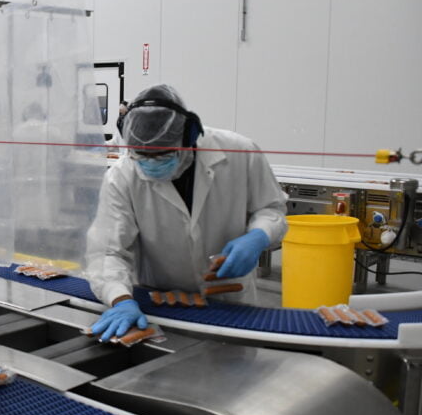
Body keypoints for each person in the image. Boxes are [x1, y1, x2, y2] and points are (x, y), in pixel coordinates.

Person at [85, 85, 287, 341]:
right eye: (142, 156)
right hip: (163, 304)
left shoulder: (240, 153)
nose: (151, 164)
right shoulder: (122, 177)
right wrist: (121, 299)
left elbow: (271, 208)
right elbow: (108, 251)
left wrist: (258, 236)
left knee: (237, 370)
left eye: (163, 155)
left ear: (190, 137)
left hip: (231, 301)